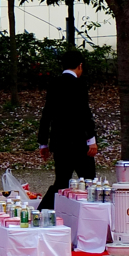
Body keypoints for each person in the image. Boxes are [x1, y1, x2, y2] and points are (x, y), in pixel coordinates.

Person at [37, 49, 98, 211]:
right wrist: (91, 139)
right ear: (80, 66)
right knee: (89, 180)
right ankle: (91, 213)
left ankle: (43, 210)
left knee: (62, 181)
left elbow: (47, 114)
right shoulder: (79, 85)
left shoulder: (54, 84)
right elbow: (84, 113)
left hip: (60, 142)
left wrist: (43, 142)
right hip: (79, 142)